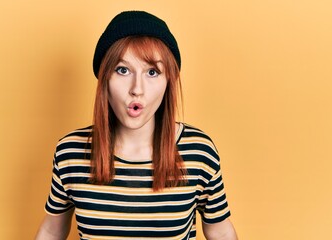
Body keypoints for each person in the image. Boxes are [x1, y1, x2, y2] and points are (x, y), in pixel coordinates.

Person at [35, 10, 237, 240]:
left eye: (152, 72)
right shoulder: (70, 152)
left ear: (168, 81)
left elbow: (220, 231)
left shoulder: (199, 152)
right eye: (123, 70)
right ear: (104, 80)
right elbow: (52, 230)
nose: (137, 89)